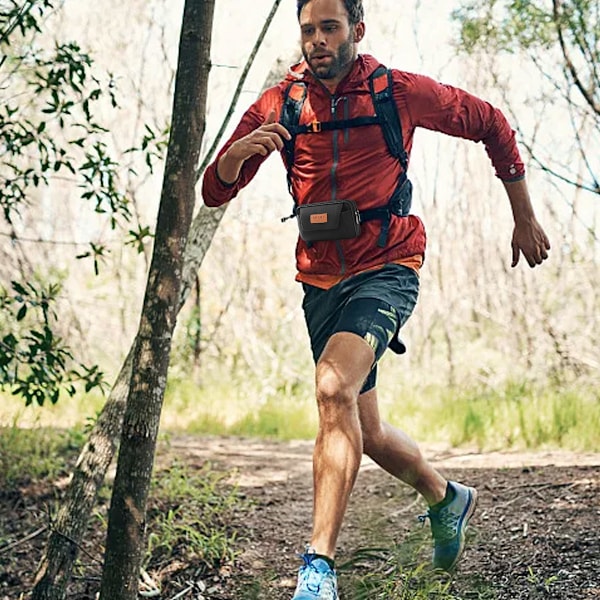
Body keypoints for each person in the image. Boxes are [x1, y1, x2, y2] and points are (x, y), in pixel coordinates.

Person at [202, 0, 551, 597]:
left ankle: (317, 569)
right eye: (308, 30)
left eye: (329, 27)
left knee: (332, 388)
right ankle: (448, 497)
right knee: (367, 428)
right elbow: (214, 192)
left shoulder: (399, 93)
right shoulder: (279, 103)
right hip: (318, 281)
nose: (316, 40)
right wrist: (235, 157)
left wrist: (524, 215)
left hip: (388, 266)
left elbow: (491, 122)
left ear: (356, 31)